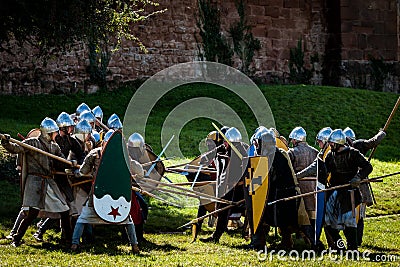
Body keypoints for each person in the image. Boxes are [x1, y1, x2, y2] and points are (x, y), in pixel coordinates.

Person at [1, 117, 73, 247]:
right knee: (32, 213)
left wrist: (71, 164)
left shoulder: (54, 147)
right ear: (48, 132)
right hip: (35, 181)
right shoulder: (32, 143)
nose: (56, 134)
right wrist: (5, 142)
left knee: (64, 210)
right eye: (55, 132)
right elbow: (15, 148)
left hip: (49, 182)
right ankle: (16, 238)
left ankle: (68, 240)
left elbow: (62, 161)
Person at [71, 130, 139, 254]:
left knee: (82, 218)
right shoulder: (122, 155)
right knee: (127, 220)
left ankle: (74, 244)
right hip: (118, 197)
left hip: (98, 196)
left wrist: (76, 173)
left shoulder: (95, 154)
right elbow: (138, 170)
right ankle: (134, 246)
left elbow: (83, 171)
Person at [33, 112, 84, 242]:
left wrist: (77, 167)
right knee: (57, 206)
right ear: (63, 127)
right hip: (50, 175)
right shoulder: (53, 141)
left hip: (61, 175)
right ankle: (39, 231)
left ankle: (66, 236)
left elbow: (81, 155)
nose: (72, 129)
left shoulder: (70, 140)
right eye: (70, 127)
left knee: (67, 204)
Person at [248, 130, 299, 250]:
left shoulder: (273, 157)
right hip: (280, 194)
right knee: (281, 221)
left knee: (262, 214)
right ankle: (284, 242)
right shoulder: (277, 153)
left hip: (279, 196)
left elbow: (268, 178)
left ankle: (261, 242)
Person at [324, 129, 373, 251]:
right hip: (335, 192)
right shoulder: (330, 155)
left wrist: (358, 177)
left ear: (338, 143)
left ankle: (352, 249)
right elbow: (325, 171)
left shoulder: (353, 153)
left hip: (349, 193)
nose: (329, 145)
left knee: (349, 222)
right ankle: (340, 246)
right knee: (328, 222)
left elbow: (368, 167)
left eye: (331, 143)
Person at [200, 127, 248, 243]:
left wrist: (240, 181)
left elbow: (248, 169)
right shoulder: (226, 147)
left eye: (226, 142)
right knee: (221, 210)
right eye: (224, 141)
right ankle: (216, 236)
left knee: (224, 211)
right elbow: (213, 153)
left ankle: (218, 236)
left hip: (239, 189)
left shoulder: (242, 151)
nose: (224, 144)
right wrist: (204, 158)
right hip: (227, 187)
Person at [343, 127, 386, 246]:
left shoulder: (356, 146)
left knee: (357, 215)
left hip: (357, 185)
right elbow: (373, 141)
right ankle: (356, 241)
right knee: (357, 216)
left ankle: (356, 241)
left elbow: (372, 142)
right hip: (353, 185)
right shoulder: (351, 148)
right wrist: (381, 133)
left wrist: (381, 133)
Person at [287, 126, 319, 246]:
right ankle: (310, 237)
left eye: (292, 140)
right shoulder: (315, 151)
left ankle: (301, 236)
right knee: (312, 214)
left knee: (299, 213)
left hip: (299, 187)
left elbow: (289, 171)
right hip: (313, 187)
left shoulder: (291, 152)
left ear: (295, 140)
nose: (291, 142)